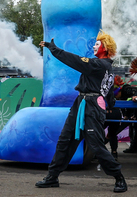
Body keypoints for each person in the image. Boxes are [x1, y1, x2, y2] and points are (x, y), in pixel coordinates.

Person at [36, 32, 127, 193]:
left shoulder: (99, 65)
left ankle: (119, 178)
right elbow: (110, 91)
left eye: (97, 44)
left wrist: (55, 50)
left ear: (105, 48)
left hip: (92, 106)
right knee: (65, 140)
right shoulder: (106, 68)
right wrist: (110, 103)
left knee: (96, 145)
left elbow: (76, 61)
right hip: (81, 103)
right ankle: (52, 177)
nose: (94, 46)